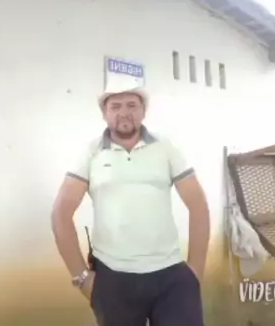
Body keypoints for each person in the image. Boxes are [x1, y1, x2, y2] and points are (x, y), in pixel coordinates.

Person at [51, 86, 210, 326]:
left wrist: (195, 272)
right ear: (104, 113)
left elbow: (198, 205)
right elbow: (61, 214)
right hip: (113, 277)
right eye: (115, 106)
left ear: (143, 111)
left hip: (170, 276)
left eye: (132, 105)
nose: (124, 112)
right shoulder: (90, 153)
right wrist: (82, 277)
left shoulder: (166, 148)